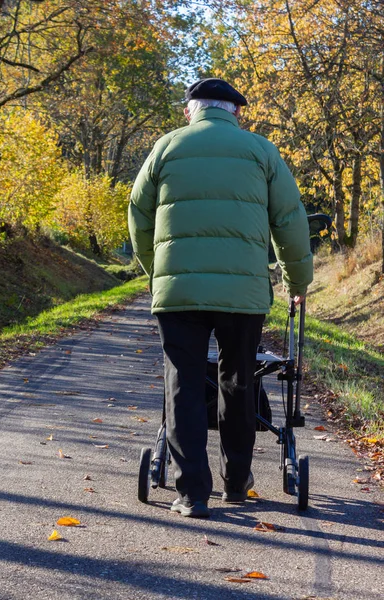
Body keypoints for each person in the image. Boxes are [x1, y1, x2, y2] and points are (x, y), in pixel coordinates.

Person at [128, 78, 313, 519]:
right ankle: (235, 483)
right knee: (238, 379)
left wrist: (156, 272)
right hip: (242, 293)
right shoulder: (261, 151)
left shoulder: (166, 147)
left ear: (190, 110)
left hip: (179, 294)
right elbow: (289, 219)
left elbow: (138, 214)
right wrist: (298, 280)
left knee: (184, 383)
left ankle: (191, 492)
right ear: (236, 112)